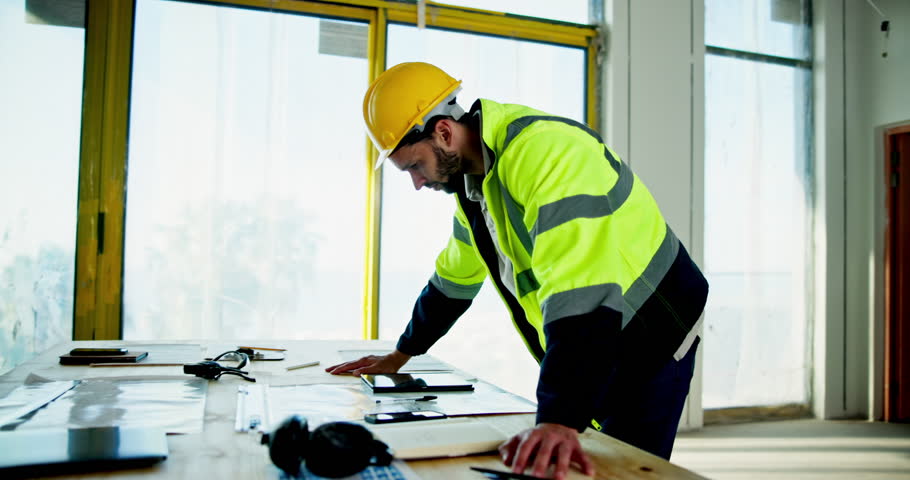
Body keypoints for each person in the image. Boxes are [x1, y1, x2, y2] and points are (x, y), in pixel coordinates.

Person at [327, 62, 709, 480]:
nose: (417, 183)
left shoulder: (547, 152)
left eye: (414, 166)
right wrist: (401, 355)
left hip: (653, 331)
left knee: (626, 468)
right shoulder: (476, 190)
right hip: (599, 331)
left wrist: (559, 419)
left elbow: (580, 289)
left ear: (443, 133)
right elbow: (453, 280)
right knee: (585, 459)